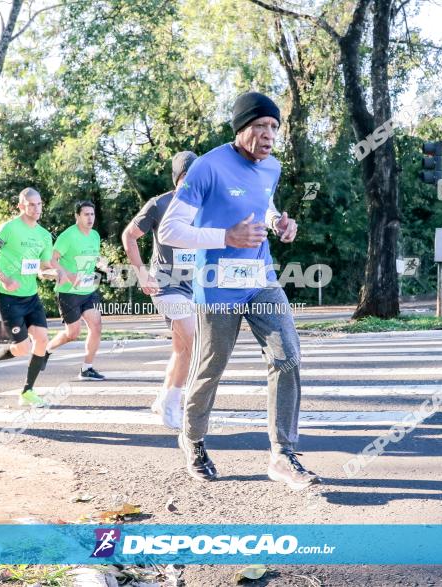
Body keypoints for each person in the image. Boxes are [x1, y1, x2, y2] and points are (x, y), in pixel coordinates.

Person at [158, 91, 318, 490]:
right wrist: (224, 235)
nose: (269, 135)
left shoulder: (272, 167)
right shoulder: (207, 168)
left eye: (275, 128)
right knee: (210, 368)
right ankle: (192, 439)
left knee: (288, 357)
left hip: (260, 279)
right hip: (217, 288)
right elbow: (170, 230)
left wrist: (279, 221)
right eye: (262, 126)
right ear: (242, 127)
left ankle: (283, 453)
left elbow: (262, 203)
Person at [122, 151, 198, 428]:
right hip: (165, 284)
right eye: (188, 177)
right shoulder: (160, 204)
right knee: (192, 339)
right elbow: (129, 235)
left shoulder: (207, 205)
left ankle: (163, 398)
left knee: (182, 348)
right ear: (178, 178)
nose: (194, 183)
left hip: (196, 286)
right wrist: (141, 272)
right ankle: (172, 404)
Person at [0, 187, 61, 407]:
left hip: (31, 296)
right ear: (21, 206)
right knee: (22, 348)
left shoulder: (43, 235)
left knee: (42, 339)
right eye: (31, 204)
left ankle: (27, 391)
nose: (37, 208)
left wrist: (55, 274)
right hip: (8, 296)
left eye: (39, 204)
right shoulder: (9, 229)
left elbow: (42, 267)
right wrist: (3, 278)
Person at [44, 200, 110, 381]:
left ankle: (87, 368)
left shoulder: (95, 235)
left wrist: (103, 265)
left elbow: (95, 256)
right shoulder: (68, 236)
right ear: (77, 216)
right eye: (86, 214)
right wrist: (69, 275)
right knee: (72, 333)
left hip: (88, 290)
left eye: (92, 214)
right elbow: (52, 260)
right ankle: (46, 350)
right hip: (68, 291)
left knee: (96, 325)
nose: (90, 218)